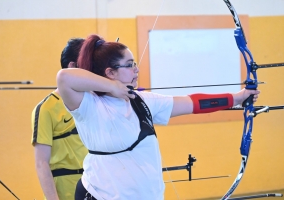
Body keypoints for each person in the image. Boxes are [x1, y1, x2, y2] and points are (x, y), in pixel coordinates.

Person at [56, 34, 260, 200]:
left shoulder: (142, 100)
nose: (136, 69)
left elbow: (193, 103)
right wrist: (113, 88)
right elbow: (64, 77)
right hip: (99, 195)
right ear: (110, 72)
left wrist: (237, 98)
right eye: (129, 65)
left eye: (135, 63)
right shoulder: (89, 105)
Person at [31, 38, 88, 200]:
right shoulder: (46, 108)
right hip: (66, 190)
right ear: (72, 67)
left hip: (96, 187)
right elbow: (41, 163)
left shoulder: (94, 102)